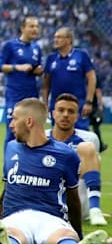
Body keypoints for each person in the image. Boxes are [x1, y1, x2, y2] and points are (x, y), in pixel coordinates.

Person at [0, 98, 108, 244]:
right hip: (16, 217)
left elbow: (72, 198)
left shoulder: (66, 155)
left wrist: (77, 234)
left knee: (66, 236)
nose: (11, 125)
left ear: (29, 122)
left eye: (14, 119)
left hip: (51, 218)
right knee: (13, 234)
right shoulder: (11, 147)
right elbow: (6, 190)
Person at [46, 93, 107, 226]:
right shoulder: (42, 137)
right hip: (48, 204)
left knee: (87, 148)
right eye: (61, 110)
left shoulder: (89, 138)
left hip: (77, 206)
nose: (65, 115)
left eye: (71, 111)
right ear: (53, 114)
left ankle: (95, 210)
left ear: (77, 116)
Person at [0, 16, 43, 146]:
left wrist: (38, 71)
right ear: (23, 28)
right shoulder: (10, 46)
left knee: (32, 133)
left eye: (37, 26)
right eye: (31, 26)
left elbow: (38, 68)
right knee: (13, 131)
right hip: (15, 96)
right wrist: (17, 67)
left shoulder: (36, 48)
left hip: (32, 96)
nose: (35, 29)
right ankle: (9, 159)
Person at [41, 27, 96, 130]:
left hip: (78, 104)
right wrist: (45, 104)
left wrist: (89, 102)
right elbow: (45, 85)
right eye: (55, 37)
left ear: (69, 39)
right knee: (58, 135)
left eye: (59, 37)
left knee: (80, 134)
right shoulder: (51, 58)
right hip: (57, 105)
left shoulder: (81, 55)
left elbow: (92, 78)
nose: (55, 40)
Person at [90, 79, 108, 152]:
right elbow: (98, 91)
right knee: (96, 127)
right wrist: (100, 104)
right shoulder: (95, 77)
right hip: (93, 107)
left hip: (82, 105)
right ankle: (99, 146)